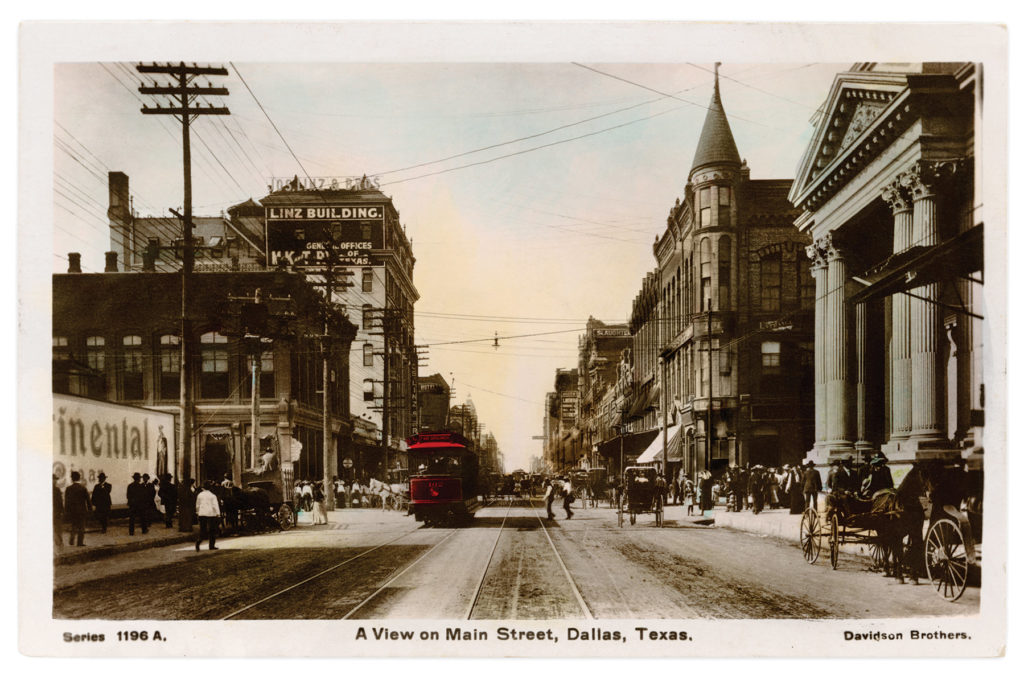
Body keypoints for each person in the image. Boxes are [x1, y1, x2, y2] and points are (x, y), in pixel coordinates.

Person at [64, 470, 92, 546]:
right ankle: (79, 543)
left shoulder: (68, 489)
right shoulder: (83, 488)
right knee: (81, 527)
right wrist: (90, 510)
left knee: (74, 525)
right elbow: (88, 500)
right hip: (82, 511)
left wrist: (66, 511)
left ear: (72, 479)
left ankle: (71, 540)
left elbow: (67, 502)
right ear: (79, 478)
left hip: (72, 511)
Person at [194, 481, 221, 551]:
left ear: (203, 488)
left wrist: (197, 512)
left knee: (203, 530)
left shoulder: (200, 495)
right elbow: (215, 505)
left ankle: (198, 542)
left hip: (202, 514)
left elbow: (197, 505)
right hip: (211, 514)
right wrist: (218, 513)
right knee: (212, 530)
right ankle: (211, 545)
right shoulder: (213, 496)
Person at [53, 474, 64, 550]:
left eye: (55, 479)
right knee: (57, 528)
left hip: (55, 513)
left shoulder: (57, 489)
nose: (55, 481)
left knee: (57, 529)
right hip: (56, 513)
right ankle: (59, 543)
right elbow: (60, 502)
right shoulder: (56, 490)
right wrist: (62, 511)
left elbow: (60, 502)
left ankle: (59, 543)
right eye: (54, 479)